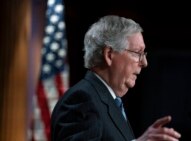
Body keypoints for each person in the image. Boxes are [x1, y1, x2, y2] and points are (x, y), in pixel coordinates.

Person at [51, 15, 181, 141]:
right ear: (109, 55)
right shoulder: (82, 100)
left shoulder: (109, 101)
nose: (144, 62)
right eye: (138, 53)